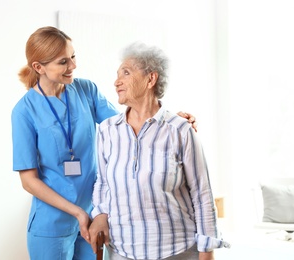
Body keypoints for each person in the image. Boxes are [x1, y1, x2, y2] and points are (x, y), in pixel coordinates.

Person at [11, 26, 198, 260]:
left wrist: (168, 120)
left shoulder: (85, 90)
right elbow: (28, 181)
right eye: (63, 62)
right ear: (39, 67)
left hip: (95, 216)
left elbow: (127, 125)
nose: (73, 66)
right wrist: (77, 212)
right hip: (52, 224)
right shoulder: (24, 111)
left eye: (73, 57)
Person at [87, 42, 229, 260]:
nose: (117, 82)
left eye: (126, 72)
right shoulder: (107, 131)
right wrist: (100, 213)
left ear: (150, 79)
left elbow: (202, 195)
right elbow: (103, 182)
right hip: (121, 251)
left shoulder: (180, 130)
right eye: (117, 75)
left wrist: (207, 252)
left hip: (176, 250)